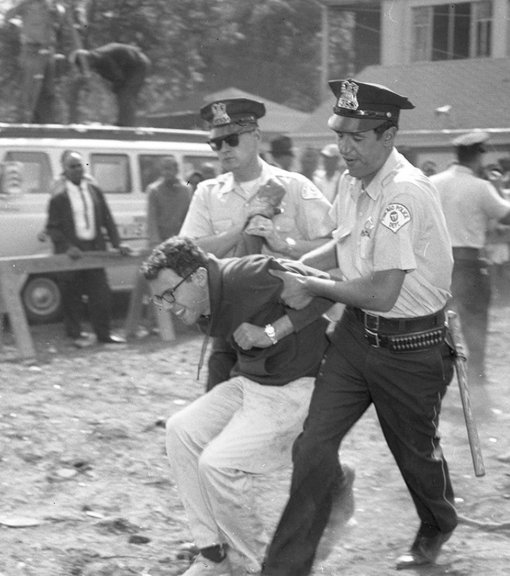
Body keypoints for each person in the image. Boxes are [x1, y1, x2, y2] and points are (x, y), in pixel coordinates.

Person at [261, 79, 457, 575]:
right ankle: (285, 567)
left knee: (415, 456)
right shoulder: (353, 180)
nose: (344, 148)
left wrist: (315, 286)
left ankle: (437, 523)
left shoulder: (403, 196)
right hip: (354, 338)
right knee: (312, 446)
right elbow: (341, 245)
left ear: (388, 137)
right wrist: (304, 266)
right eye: (340, 135)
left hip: (412, 345)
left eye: (358, 138)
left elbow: (380, 292)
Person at [142, 236, 333, 575]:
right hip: (254, 383)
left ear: (199, 277)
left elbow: (328, 288)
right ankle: (213, 554)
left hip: (296, 385)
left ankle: (258, 566)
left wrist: (273, 332)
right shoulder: (205, 297)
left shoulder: (249, 273)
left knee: (217, 464)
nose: (167, 305)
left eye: (169, 294)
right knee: (179, 430)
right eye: (159, 299)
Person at [180, 98, 333, 391]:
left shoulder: (294, 186)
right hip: (230, 322)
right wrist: (238, 230)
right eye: (216, 143)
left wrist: (284, 244)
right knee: (215, 407)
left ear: (257, 136)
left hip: (285, 320)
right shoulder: (208, 193)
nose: (224, 149)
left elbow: (334, 246)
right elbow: (189, 256)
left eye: (232, 139)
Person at [431, 130, 510, 393]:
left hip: (439, 265)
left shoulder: (433, 182)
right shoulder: (480, 186)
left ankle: (435, 378)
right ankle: (476, 382)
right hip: (469, 263)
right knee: (475, 324)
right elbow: (505, 214)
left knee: (434, 325)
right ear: (477, 155)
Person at [45, 150, 132, 346]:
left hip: (94, 248)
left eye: (79, 165)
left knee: (101, 293)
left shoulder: (94, 191)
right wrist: (67, 247)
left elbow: (107, 220)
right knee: (72, 295)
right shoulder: (58, 197)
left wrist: (118, 244)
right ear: (64, 170)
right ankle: (75, 335)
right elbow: (52, 229)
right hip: (73, 252)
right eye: (72, 166)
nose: (77, 169)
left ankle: (104, 334)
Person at [5, 0, 66, 124]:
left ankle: (47, 119)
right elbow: (8, 16)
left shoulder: (50, 6)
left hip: (47, 49)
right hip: (30, 49)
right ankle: (28, 119)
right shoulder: (24, 5)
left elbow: (61, 18)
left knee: (49, 88)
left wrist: (55, 9)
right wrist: (20, 9)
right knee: (30, 87)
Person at [70, 42, 150, 127]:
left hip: (138, 64)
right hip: (130, 67)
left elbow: (117, 75)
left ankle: (126, 124)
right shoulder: (96, 59)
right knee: (123, 93)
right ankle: (124, 122)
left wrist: (117, 87)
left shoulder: (101, 58)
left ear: (86, 61)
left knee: (125, 93)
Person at [146, 156, 192, 247]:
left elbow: (189, 215)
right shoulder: (154, 190)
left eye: (169, 169)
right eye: (164, 169)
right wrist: (155, 242)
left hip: (182, 238)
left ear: (176, 171)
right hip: (162, 239)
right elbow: (152, 218)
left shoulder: (186, 189)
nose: (166, 173)